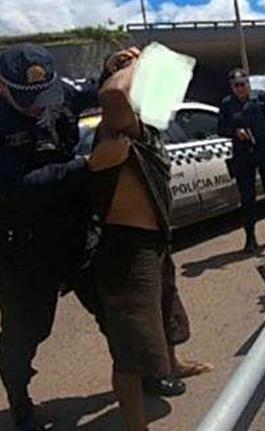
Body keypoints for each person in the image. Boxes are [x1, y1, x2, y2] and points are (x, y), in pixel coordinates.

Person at [0, 44, 132, 431]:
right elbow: (15, 188)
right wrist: (88, 166)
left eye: (43, 96)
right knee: (25, 332)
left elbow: (93, 91)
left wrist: (111, 68)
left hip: (74, 231)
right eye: (27, 99)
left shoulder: (57, 93)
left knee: (114, 309)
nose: (38, 106)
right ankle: (20, 402)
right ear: (2, 86)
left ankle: (136, 376)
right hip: (22, 245)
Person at [89, 48, 212, 431]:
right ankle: (135, 426)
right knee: (131, 344)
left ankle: (173, 364)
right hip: (125, 250)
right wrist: (132, 66)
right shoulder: (117, 128)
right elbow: (113, 96)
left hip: (155, 240)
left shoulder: (147, 126)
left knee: (166, 311)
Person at [218, 68, 265, 253]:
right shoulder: (227, 104)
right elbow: (220, 128)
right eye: (236, 86)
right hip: (243, 154)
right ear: (232, 87)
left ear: (248, 84)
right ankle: (250, 237)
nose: (240, 88)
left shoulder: (261, 98)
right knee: (247, 196)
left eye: (243, 84)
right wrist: (235, 132)